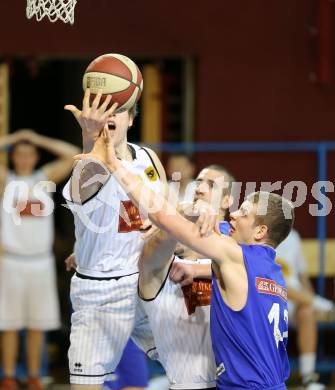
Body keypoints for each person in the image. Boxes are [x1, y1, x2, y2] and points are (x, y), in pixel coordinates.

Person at [75, 127, 294, 389]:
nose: (235, 215)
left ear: (260, 231)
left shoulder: (232, 253)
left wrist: (113, 163)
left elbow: (162, 217)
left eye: (244, 213)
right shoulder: (272, 272)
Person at [63, 85, 166, 389]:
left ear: (131, 120)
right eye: (104, 109)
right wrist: (90, 138)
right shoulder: (89, 164)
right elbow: (84, 192)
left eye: (118, 109)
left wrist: (159, 228)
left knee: (197, 365)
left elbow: (166, 211)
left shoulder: (148, 157)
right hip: (100, 291)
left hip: (146, 283)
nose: (110, 116)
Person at [137, 164, 235, 390]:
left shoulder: (238, 248)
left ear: (227, 201)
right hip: (186, 377)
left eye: (211, 185)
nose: (200, 189)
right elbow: (151, 252)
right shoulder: (166, 245)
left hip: (235, 380)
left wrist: (200, 270)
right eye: (198, 183)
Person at [0, 129, 80, 390]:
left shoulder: (43, 179)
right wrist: (11, 140)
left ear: (35, 157)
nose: (23, 158)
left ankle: (34, 376)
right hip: (11, 260)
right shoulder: (5, 180)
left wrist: (37, 138)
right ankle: (9, 376)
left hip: (40, 261)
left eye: (28, 154)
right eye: (19, 154)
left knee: (38, 324)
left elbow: (72, 154)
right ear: (13, 158)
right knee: (9, 324)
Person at [276, 229, 334, 390]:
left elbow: (302, 276)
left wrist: (308, 297)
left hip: (295, 300)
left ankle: (307, 378)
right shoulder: (260, 232)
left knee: (307, 312)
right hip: (271, 297)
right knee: (277, 281)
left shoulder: (293, 236)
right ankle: (326, 306)